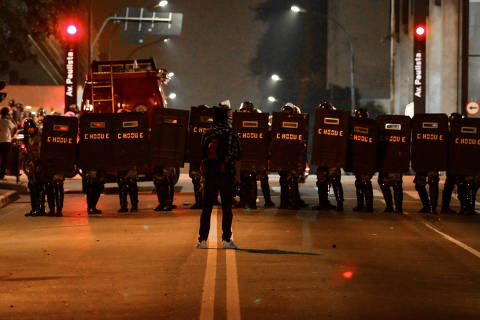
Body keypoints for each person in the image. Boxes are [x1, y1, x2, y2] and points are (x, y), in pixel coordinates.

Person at [197, 105, 241, 249]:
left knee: (207, 208)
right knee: (227, 208)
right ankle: (226, 240)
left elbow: (202, 155)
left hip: (210, 175)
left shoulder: (208, 133)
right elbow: (238, 155)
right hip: (226, 174)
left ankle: (202, 240)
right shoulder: (231, 133)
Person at [312, 102, 344, 211]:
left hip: (328, 156)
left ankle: (335, 204)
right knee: (324, 181)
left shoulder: (333, 120)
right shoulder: (321, 121)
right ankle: (325, 203)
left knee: (332, 180)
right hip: (327, 156)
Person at [351, 107, 374, 212]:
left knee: (362, 182)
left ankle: (365, 206)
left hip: (360, 159)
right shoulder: (372, 125)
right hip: (367, 159)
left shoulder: (353, 126)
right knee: (363, 182)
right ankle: (366, 206)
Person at [22, 118, 45, 216]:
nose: (30, 130)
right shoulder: (28, 138)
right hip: (31, 165)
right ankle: (34, 208)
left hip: (39, 165)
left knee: (38, 186)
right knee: (31, 186)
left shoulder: (39, 136)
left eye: (31, 128)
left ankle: (40, 209)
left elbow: (41, 152)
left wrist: (35, 162)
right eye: (28, 128)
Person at [441, 113, 462, 214]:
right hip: (454, 162)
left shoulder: (448, 132)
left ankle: (446, 207)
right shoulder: (449, 132)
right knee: (452, 185)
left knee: (451, 185)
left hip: (454, 162)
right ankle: (464, 208)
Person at [0, 107, 16, 179]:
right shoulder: (7, 121)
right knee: (4, 159)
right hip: (6, 141)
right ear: (7, 113)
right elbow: (15, 127)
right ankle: (1, 175)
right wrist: (11, 118)